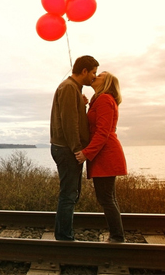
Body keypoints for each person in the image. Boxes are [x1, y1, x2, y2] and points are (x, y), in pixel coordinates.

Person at [50, 55, 99, 241]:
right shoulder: (69, 87)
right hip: (67, 149)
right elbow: (69, 122)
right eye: (93, 73)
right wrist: (78, 149)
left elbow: (72, 114)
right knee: (69, 195)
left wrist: (81, 102)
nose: (94, 77)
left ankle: (63, 234)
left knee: (70, 194)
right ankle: (64, 238)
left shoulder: (73, 89)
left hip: (66, 148)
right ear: (84, 71)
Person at [75, 71, 127, 243]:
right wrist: (84, 106)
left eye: (100, 76)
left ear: (107, 82)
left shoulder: (105, 99)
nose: (95, 76)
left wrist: (86, 153)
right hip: (104, 153)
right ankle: (117, 235)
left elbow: (102, 132)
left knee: (106, 198)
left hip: (106, 154)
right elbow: (94, 125)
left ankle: (117, 237)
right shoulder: (99, 100)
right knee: (107, 197)